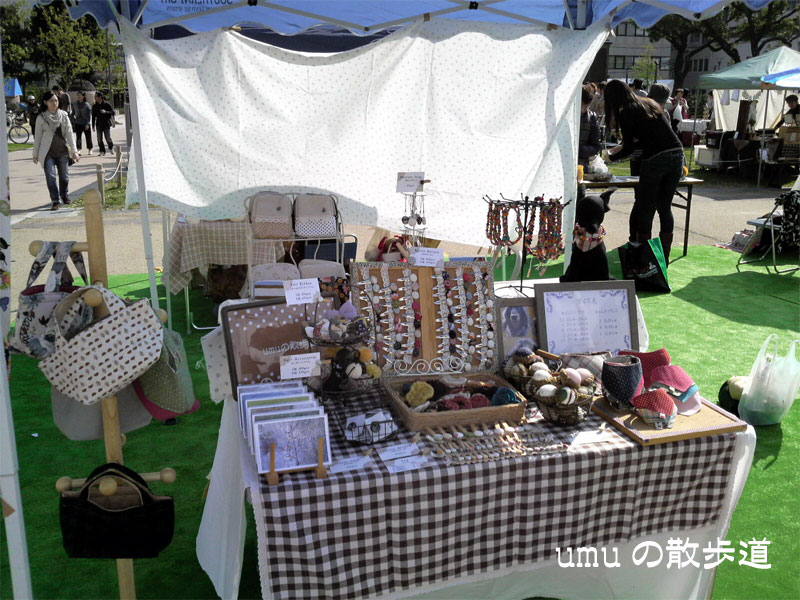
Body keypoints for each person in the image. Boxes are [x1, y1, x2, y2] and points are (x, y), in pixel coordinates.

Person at [603, 79, 683, 261]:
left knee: (645, 208)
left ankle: (644, 257)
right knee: (665, 207)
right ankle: (663, 257)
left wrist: (610, 157)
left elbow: (630, 148)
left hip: (655, 159)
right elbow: (651, 136)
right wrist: (622, 147)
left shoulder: (626, 111)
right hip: (677, 155)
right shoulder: (648, 104)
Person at [32, 91, 80, 211]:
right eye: (51, 101)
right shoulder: (41, 118)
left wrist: (74, 151)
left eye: (56, 100)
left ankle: (64, 195)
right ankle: (55, 200)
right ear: (45, 102)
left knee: (64, 177)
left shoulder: (64, 115)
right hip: (47, 153)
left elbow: (69, 134)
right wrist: (35, 154)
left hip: (62, 151)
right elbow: (37, 137)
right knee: (51, 177)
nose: (54, 103)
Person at [578, 84, 602, 169]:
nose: (583, 109)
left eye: (586, 106)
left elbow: (596, 146)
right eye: (582, 105)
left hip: (581, 165)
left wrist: (580, 150)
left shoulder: (592, 117)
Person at [92, 92, 115, 156]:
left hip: (106, 123)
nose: (95, 98)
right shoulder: (95, 106)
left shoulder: (106, 104)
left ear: (100, 97)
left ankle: (111, 147)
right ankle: (102, 151)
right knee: (99, 138)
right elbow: (93, 116)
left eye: (96, 96)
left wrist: (106, 112)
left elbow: (113, 112)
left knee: (108, 137)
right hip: (98, 124)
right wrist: (93, 125)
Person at [71, 91, 93, 156]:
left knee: (88, 137)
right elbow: (73, 113)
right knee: (78, 137)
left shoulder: (87, 105)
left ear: (83, 96)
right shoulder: (75, 104)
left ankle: (90, 149)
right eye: (78, 95)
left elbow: (88, 115)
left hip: (85, 122)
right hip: (78, 122)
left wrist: (87, 124)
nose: (78, 96)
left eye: (80, 95)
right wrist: (71, 120)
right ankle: (78, 149)